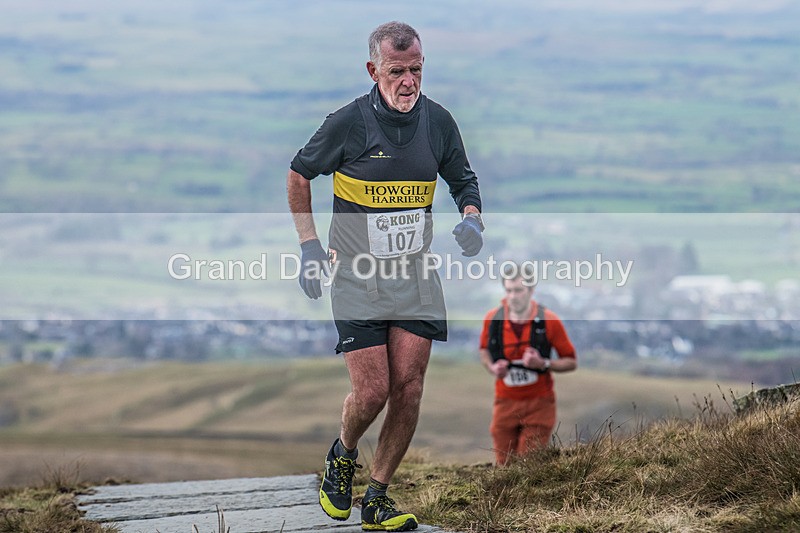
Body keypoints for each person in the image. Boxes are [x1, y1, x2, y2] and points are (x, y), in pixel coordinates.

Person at [286, 21, 484, 532]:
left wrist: (471, 219)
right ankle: (342, 453)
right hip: (357, 276)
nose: (408, 82)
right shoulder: (348, 124)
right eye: (396, 71)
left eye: (416, 70)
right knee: (373, 392)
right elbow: (299, 173)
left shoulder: (438, 123)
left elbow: (463, 179)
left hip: (416, 277)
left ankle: (376, 496)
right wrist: (309, 247)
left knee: (410, 388)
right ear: (373, 70)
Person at [479, 264, 577, 466]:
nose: (513, 296)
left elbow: (571, 361)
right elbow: (483, 350)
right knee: (504, 465)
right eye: (508, 290)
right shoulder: (492, 319)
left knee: (527, 465)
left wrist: (543, 363)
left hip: (540, 403)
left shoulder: (550, 321)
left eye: (518, 290)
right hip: (504, 402)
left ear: (531, 291)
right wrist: (492, 367)